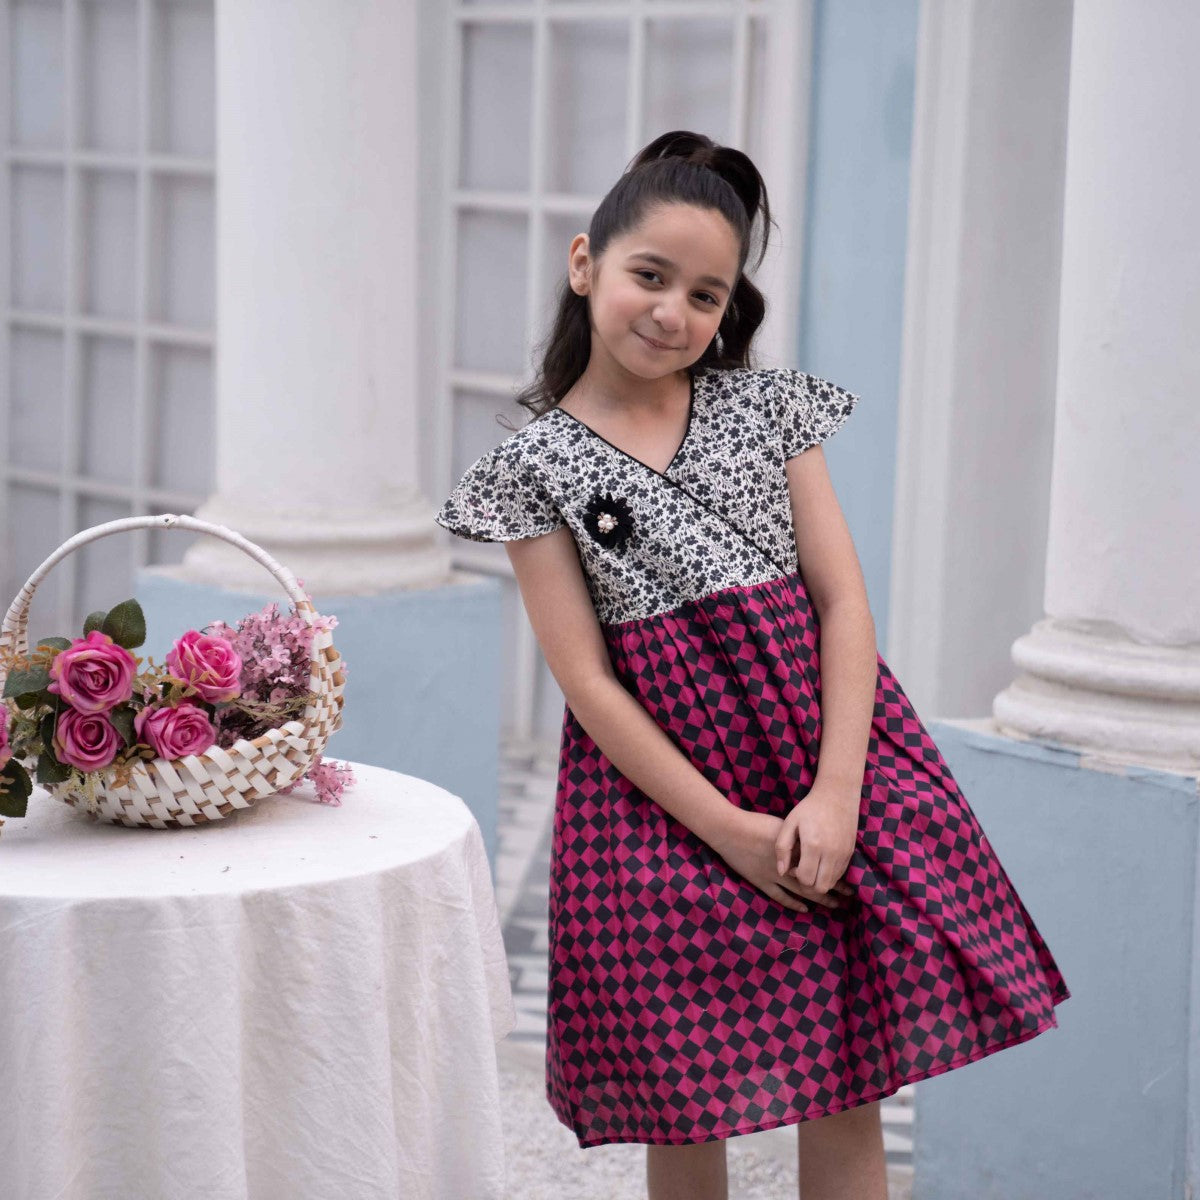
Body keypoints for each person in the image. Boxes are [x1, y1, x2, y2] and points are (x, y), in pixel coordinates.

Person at [435, 129, 1070, 1200]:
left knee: (845, 1074)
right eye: (650, 276)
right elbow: (587, 683)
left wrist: (837, 791)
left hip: (818, 763)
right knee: (685, 1095)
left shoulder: (768, 410)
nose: (672, 312)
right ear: (586, 263)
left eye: (706, 294)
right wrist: (726, 829)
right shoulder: (530, 469)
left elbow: (841, 602)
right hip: (662, 805)